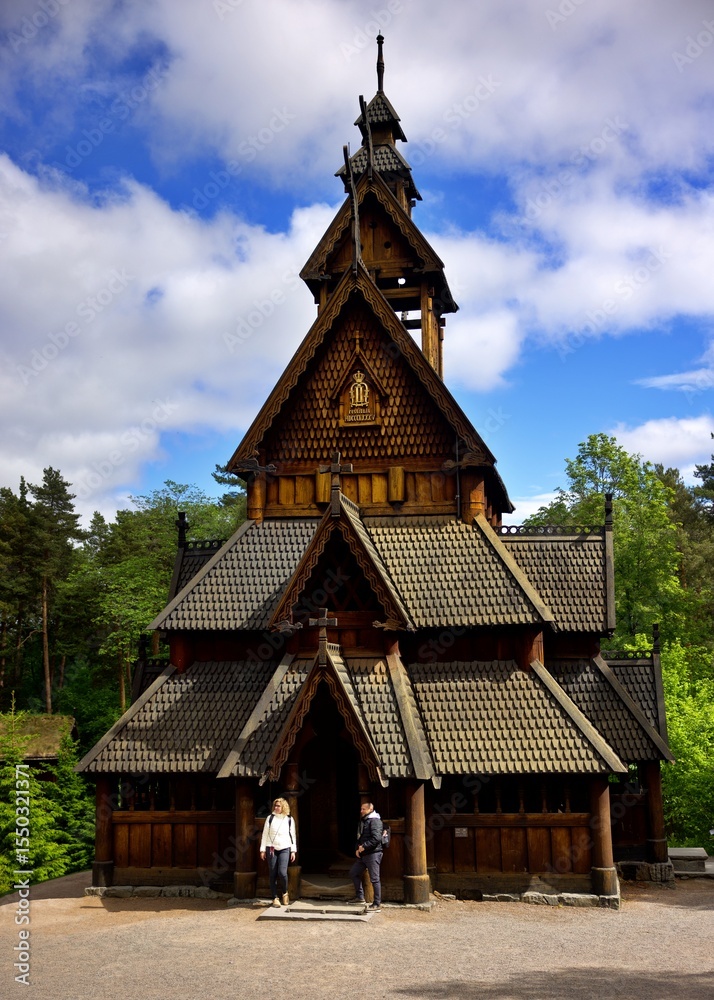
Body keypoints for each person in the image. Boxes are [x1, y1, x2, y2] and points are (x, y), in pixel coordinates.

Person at [260, 797, 296, 907]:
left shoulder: (289, 819)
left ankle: (285, 893)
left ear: (283, 807)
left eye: (278, 806)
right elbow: (265, 834)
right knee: (272, 873)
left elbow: (292, 835)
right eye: (275, 806)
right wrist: (262, 849)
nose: (276, 807)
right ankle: (275, 897)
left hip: (285, 848)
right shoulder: (270, 818)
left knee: (282, 872)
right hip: (271, 847)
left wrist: (293, 851)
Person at [348, 801, 383, 911]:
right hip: (364, 854)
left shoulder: (375, 821)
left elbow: (377, 838)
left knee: (375, 879)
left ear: (370, 809)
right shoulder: (365, 821)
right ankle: (360, 897)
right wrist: (357, 849)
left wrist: (364, 846)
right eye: (361, 809)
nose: (361, 811)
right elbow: (361, 837)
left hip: (373, 854)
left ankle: (377, 904)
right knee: (354, 873)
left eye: (364, 809)